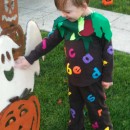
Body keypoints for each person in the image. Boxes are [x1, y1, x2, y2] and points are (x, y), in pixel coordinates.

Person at [15, 0, 114, 130]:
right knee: (75, 108)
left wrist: (107, 76)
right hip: (73, 78)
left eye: (67, 11)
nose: (63, 14)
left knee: (97, 111)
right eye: (60, 10)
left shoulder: (99, 23)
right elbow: (48, 42)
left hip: (92, 80)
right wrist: (30, 59)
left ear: (83, 6)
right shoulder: (65, 24)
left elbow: (108, 51)